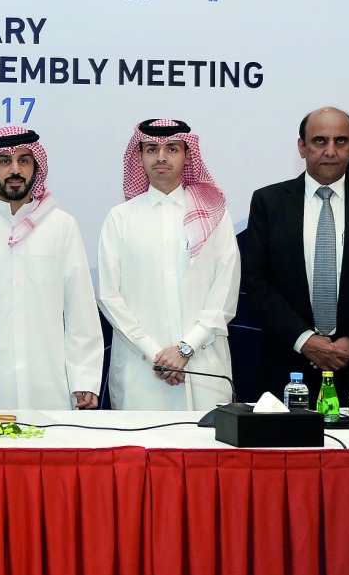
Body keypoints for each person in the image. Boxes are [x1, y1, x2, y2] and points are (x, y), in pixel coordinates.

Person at [243, 107, 349, 403]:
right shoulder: (268, 202)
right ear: (302, 146)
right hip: (290, 368)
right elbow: (258, 283)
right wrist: (305, 340)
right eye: (320, 141)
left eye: (341, 141)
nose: (330, 151)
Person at [0, 126, 103, 409]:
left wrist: (84, 379)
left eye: (24, 160)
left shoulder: (62, 226)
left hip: (47, 382)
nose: (15, 169)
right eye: (4, 161)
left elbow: (80, 309)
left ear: (35, 168)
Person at [97, 119, 241, 411]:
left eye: (171, 148)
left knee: (207, 454)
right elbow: (110, 297)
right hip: (141, 371)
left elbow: (225, 291)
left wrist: (186, 349)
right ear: (139, 157)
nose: (161, 157)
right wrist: (156, 354)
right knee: (139, 453)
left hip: (203, 366)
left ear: (187, 155)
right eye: (151, 149)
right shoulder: (120, 218)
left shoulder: (214, 215)